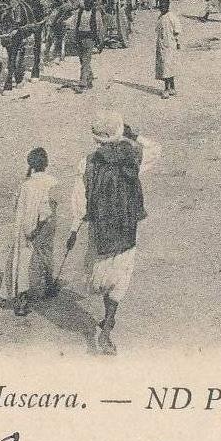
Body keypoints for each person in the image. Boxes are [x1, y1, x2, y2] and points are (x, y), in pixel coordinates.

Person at [65, 111, 159, 355]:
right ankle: (108, 324)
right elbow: (156, 149)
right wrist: (134, 135)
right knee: (121, 275)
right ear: (119, 133)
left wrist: (75, 228)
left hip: (101, 230)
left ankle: (107, 325)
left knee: (101, 274)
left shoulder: (87, 163)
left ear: (97, 139)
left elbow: (79, 201)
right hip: (126, 227)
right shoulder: (133, 156)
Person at [1, 147, 60, 317]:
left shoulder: (25, 185)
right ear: (46, 164)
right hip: (45, 227)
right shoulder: (52, 181)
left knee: (22, 261)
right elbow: (50, 209)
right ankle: (48, 286)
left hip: (25, 228)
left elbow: (15, 205)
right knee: (45, 255)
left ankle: (21, 299)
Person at [72, 0, 102, 93]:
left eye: (81, 0)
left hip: (89, 39)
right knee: (82, 60)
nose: (79, 1)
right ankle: (90, 78)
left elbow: (100, 28)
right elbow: (74, 25)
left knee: (85, 61)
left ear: (86, 1)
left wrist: (100, 42)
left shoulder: (96, 13)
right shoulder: (79, 12)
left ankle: (83, 84)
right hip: (80, 38)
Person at [155, 0, 181, 97]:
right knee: (166, 66)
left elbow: (177, 31)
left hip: (170, 45)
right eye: (160, 7)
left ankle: (167, 89)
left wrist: (177, 42)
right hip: (162, 45)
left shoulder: (172, 17)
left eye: (164, 7)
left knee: (168, 67)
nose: (162, 9)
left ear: (167, 7)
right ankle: (172, 88)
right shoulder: (160, 17)